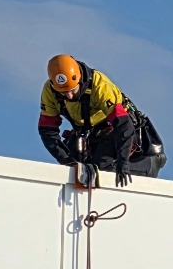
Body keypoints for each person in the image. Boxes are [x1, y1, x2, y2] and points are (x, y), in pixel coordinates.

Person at [36, 55, 165, 186]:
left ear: (80, 79)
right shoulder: (50, 92)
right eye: (64, 93)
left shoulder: (99, 85)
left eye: (72, 90)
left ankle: (149, 165)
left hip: (114, 129)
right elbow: (47, 130)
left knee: (103, 169)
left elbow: (123, 125)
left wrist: (123, 160)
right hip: (87, 133)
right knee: (74, 169)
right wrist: (67, 160)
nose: (69, 96)